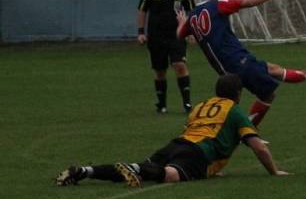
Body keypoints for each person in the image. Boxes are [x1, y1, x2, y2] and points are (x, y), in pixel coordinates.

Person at [55, 74, 289, 187]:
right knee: (170, 175)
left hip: (178, 143)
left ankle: (84, 171)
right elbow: (258, 146)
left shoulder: (201, 105)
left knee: (140, 167)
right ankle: (134, 171)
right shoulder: (235, 111)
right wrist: (274, 171)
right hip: (199, 152)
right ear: (238, 94)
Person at [176, 0, 306, 128]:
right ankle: (247, 131)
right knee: (269, 94)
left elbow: (180, 34)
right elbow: (248, 2)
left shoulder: (193, 16)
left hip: (224, 67)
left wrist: (182, 22)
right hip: (237, 60)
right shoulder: (218, 4)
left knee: (273, 69)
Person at [137, 0, 196, 114]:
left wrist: (191, 30)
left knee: (179, 65)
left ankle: (187, 104)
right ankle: (161, 105)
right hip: (156, 36)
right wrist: (141, 32)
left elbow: (191, 10)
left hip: (177, 34)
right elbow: (142, 10)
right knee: (160, 70)